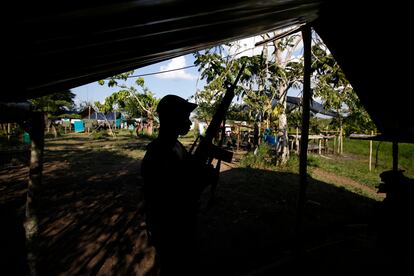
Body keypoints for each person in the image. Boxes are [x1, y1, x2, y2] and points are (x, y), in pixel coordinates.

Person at [141, 94, 217, 275]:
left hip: (181, 223)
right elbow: (174, 194)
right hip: (170, 228)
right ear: (172, 118)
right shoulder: (159, 152)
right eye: (185, 116)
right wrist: (202, 179)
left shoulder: (175, 146)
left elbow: (189, 170)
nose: (189, 122)